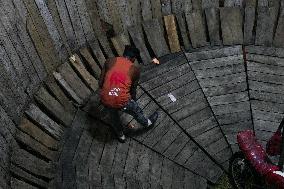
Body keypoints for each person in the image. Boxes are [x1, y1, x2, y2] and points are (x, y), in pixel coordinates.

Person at [99, 45, 158, 143]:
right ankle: (147, 123)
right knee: (136, 110)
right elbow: (132, 90)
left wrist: (110, 92)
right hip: (122, 100)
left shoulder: (109, 61)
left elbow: (100, 83)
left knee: (113, 114)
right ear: (134, 59)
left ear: (124, 54)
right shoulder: (135, 70)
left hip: (105, 98)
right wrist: (133, 102)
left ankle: (121, 136)